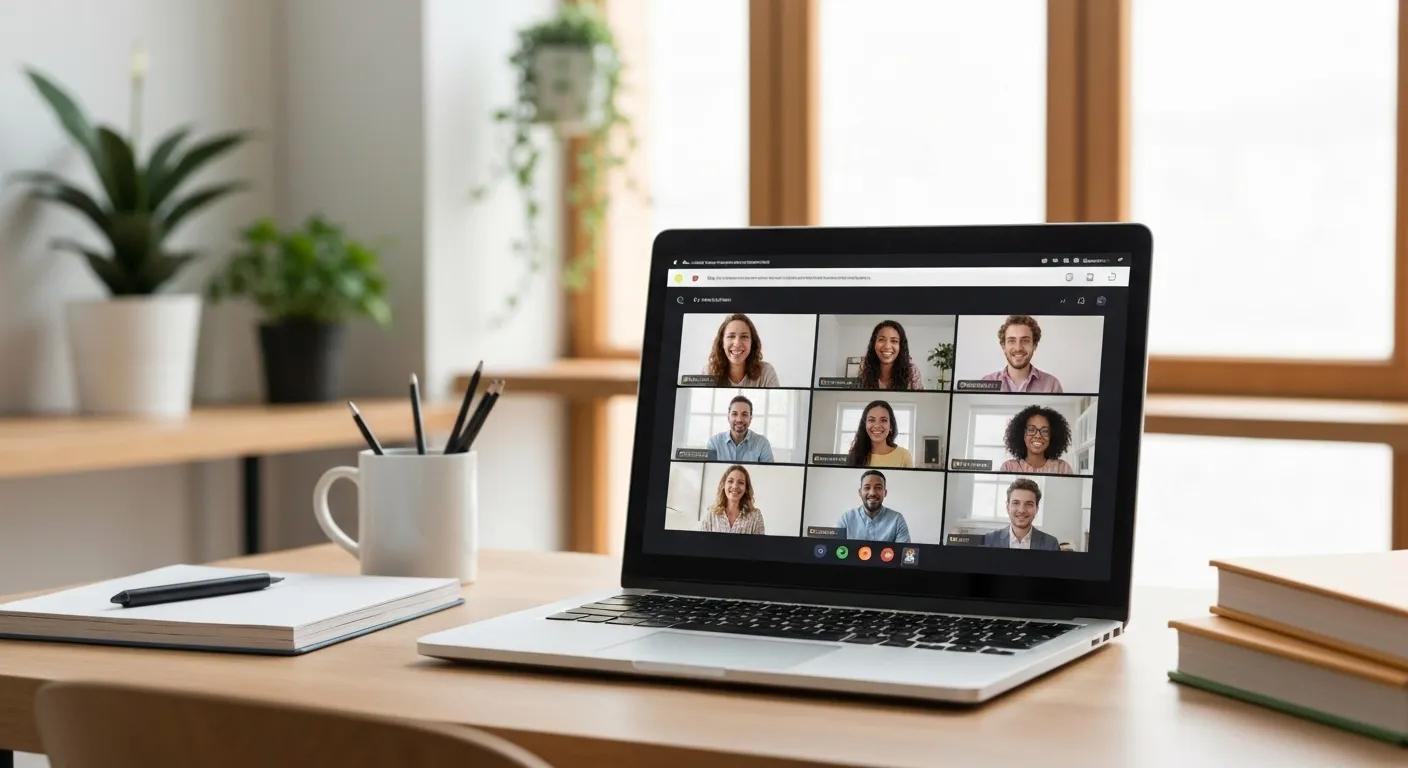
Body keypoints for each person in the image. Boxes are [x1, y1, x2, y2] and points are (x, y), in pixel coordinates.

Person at [981, 315, 1064, 393]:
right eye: (1012, 341)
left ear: (1034, 345)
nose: (1018, 348)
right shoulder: (986, 383)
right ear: (1003, 346)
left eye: (1025, 341)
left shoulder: (1052, 385)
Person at [703, 314, 780, 387]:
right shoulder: (708, 372)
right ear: (722, 343)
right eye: (731, 336)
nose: (737, 343)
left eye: (744, 336)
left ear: (752, 343)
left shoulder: (766, 372)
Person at [983, 478, 1061, 550]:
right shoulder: (990, 540)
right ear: (1008, 507)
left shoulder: (1051, 544)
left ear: (1036, 509)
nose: (1022, 510)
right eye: (1016, 503)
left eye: (1029, 504)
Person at [837, 470, 911, 543]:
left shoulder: (897, 520)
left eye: (878, 488)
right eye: (867, 488)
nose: (872, 493)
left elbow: (903, 553)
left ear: (885, 493)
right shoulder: (846, 519)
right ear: (860, 492)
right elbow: (836, 549)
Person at [999, 405, 1075, 475]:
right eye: (1031, 429)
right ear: (1022, 434)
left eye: (1045, 431)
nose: (1038, 435)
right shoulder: (1009, 467)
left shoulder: (1062, 468)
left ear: (1052, 436)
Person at [698, 464, 766, 534]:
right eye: (730, 481)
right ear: (723, 485)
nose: (735, 486)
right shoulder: (711, 514)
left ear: (746, 488)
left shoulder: (755, 516)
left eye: (741, 482)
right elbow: (702, 543)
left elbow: (760, 544)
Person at [846, 400, 913, 468]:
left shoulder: (904, 455)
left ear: (891, 426)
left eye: (883, 420)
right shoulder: (854, 456)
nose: (877, 425)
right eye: (871, 420)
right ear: (865, 425)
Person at [706, 395, 775, 462]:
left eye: (744, 414)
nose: (739, 420)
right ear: (728, 417)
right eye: (734, 414)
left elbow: (768, 472)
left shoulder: (762, 443)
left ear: (750, 419)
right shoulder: (714, 443)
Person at [857, 320, 922, 390]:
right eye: (881, 340)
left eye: (894, 341)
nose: (887, 346)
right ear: (874, 344)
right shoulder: (865, 367)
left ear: (901, 346)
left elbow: (919, 399)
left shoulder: (912, 371)